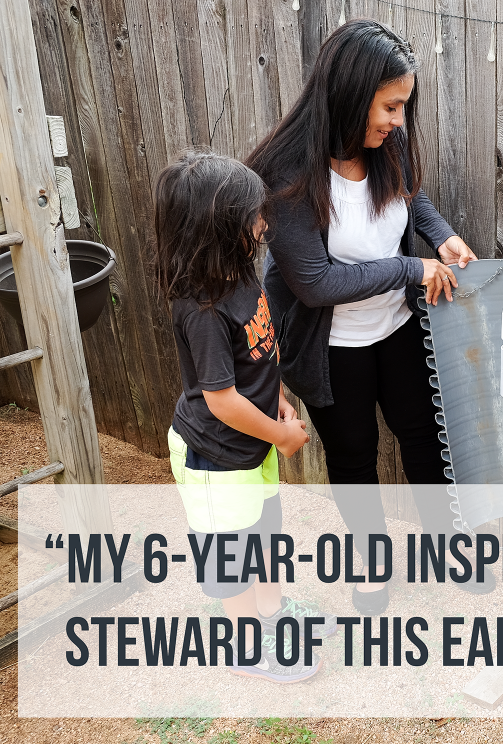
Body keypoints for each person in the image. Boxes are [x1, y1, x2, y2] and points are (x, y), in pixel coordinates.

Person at [245, 18, 494, 616]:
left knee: (426, 440)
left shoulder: (389, 146)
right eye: (390, 106)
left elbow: (412, 198)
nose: (398, 121)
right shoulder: (287, 176)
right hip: (332, 348)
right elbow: (315, 283)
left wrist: (441, 237)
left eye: (403, 106)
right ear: (353, 96)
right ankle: (371, 565)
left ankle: (448, 548)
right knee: (354, 458)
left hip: (397, 328)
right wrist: (412, 270)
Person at [153, 150, 336, 683]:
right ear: (218, 226)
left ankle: (274, 616)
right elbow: (221, 399)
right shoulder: (203, 308)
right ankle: (245, 647)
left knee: (265, 533)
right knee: (231, 555)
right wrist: (280, 434)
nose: (264, 223)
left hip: (251, 444)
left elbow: (259, 352)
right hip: (216, 453)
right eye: (254, 215)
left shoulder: (240, 276)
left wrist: (277, 396)